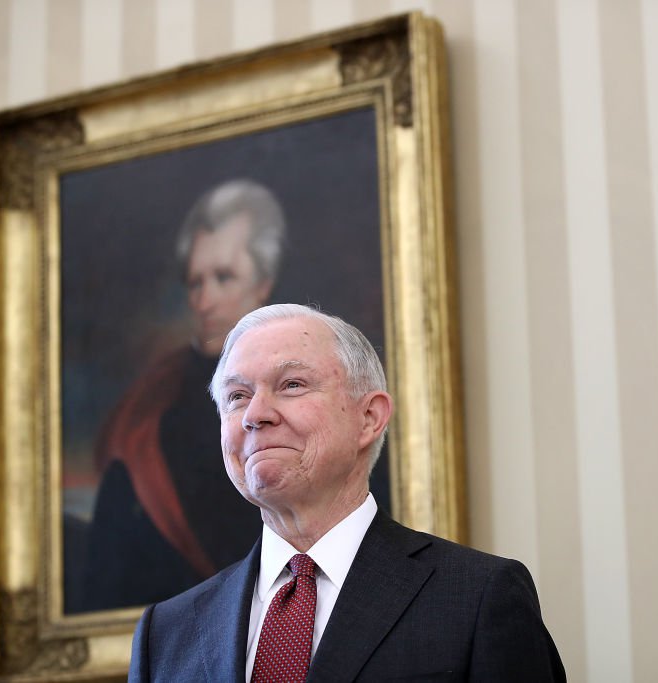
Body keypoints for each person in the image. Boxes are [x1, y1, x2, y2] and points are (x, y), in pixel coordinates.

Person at [128, 304, 566, 681]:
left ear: (370, 418)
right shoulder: (165, 633)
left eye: (291, 385)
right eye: (237, 396)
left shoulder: (479, 596)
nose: (255, 415)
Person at [80, 180, 286, 612]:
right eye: (195, 283)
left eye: (223, 278)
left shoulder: (311, 385)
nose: (204, 300)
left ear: (264, 283)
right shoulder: (154, 407)